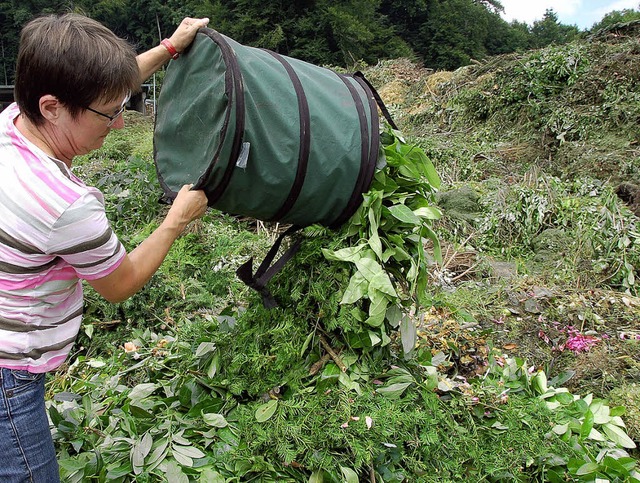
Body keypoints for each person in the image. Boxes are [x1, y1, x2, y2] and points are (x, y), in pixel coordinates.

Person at [0, 13, 210, 482]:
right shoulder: (64, 205)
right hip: (9, 374)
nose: (118, 125)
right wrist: (176, 221)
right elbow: (120, 284)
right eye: (109, 113)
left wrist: (170, 48)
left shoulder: (13, 118)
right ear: (52, 107)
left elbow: (96, 86)